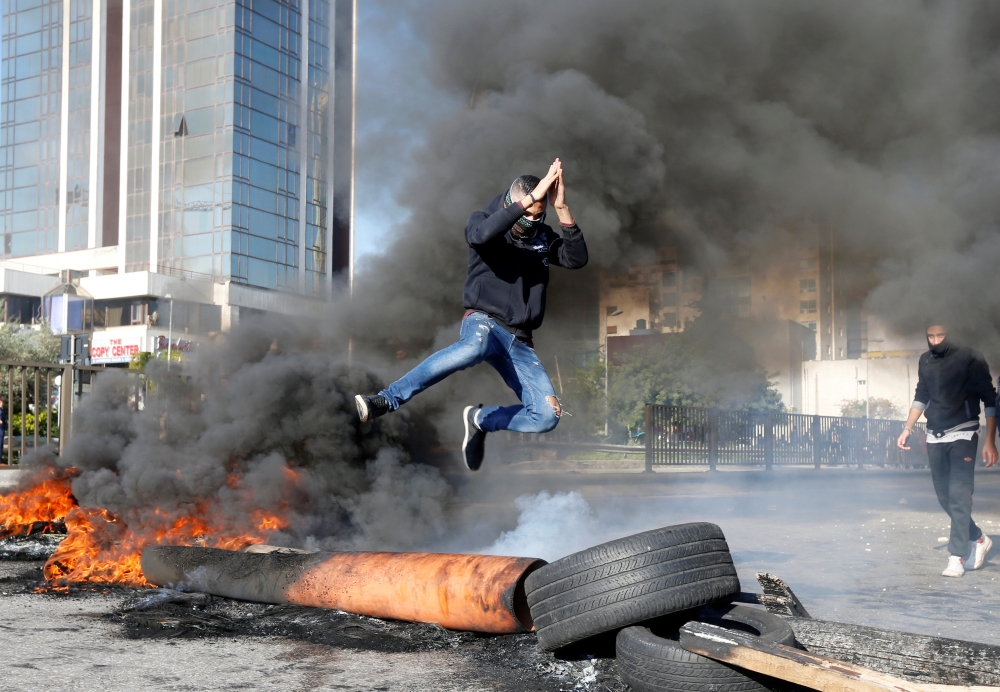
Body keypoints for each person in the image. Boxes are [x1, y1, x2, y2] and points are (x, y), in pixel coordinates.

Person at [355, 159, 588, 470]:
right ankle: (387, 399)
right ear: (513, 202)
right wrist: (530, 201)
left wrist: (560, 208)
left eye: (538, 217)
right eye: (527, 215)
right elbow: (480, 236)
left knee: (547, 417)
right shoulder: (484, 221)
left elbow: (577, 258)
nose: (531, 224)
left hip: (520, 342)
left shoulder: (542, 237)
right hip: (484, 323)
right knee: (473, 347)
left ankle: (481, 420)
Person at [897, 323, 998, 578]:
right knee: (944, 497)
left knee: (960, 495)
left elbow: (990, 399)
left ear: (950, 334)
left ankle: (956, 556)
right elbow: (922, 395)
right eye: (930, 336)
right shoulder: (925, 361)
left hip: (965, 432)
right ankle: (977, 537)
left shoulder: (970, 357)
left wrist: (990, 440)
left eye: (940, 335)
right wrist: (907, 428)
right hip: (934, 435)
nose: (935, 340)